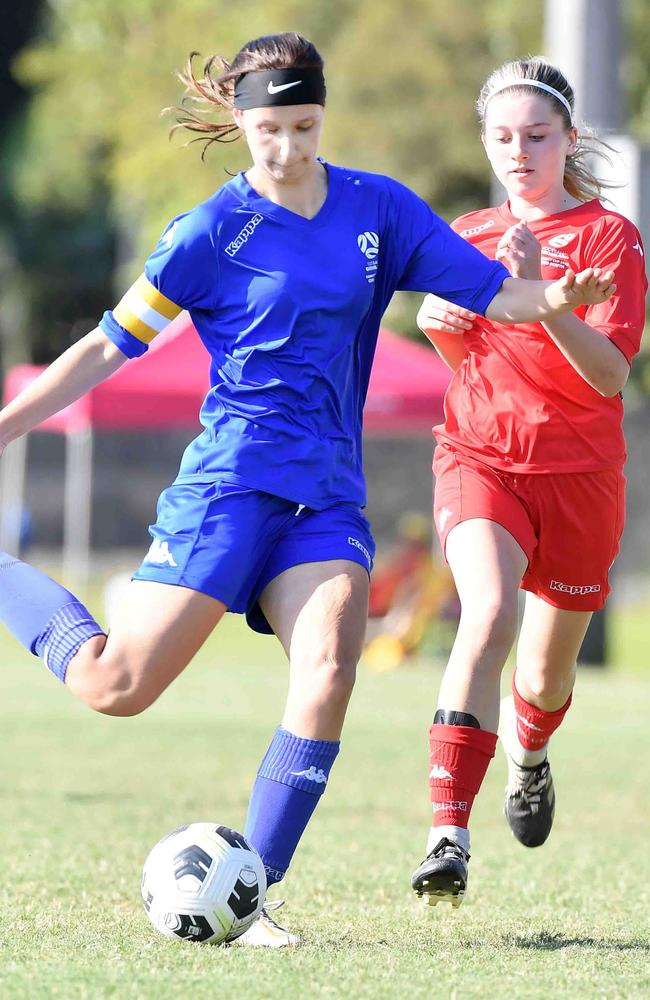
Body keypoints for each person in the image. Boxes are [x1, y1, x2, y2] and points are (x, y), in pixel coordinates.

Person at [0, 35, 615, 945]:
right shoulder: (210, 231)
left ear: (323, 116)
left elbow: (497, 296)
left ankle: (250, 894)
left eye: (305, 125)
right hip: (229, 489)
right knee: (114, 686)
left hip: (325, 497)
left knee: (329, 668)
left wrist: (557, 297)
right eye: (269, 130)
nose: (287, 148)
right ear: (242, 125)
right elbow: (104, 346)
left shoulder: (380, 210)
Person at [410, 57, 647, 909]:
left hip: (581, 477)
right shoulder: (466, 234)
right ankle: (447, 835)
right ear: (485, 141)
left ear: (568, 140)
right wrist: (439, 327)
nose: (520, 152)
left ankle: (531, 754)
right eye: (504, 137)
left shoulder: (610, 239)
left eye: (537, 136)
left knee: (543, 682)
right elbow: (470, 357)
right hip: (481, 459)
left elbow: (609, 378)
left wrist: (547, 302)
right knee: (489, 612)